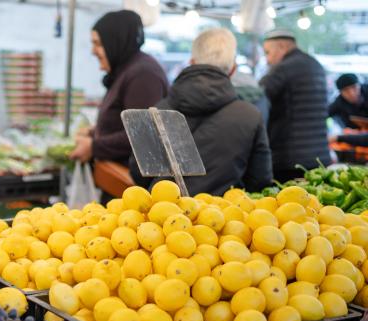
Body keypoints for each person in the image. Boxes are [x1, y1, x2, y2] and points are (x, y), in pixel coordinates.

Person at [131, 28, 272, 196]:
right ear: (233, 69)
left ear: (191, 62)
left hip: (164, 215)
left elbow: (138, 172)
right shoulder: (250, 116)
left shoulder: (158, 111)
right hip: (223, 218)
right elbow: (259, 180)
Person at [70, 10, 168, 197]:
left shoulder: (143, 75)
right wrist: (94, 132)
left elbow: (142, 133)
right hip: (118, 182)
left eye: (97, 44)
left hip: (133, 189)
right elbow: (122, 120)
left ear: (115, 41)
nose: (93, 51)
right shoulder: (126, 70)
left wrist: (94, 146)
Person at [260, 29, 330, 182]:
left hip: (290, 159)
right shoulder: (316, 65)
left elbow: (259, 96)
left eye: (267, 52)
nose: (267, 60)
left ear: (282, 46)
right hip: (320, 156)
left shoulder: (283, 68)